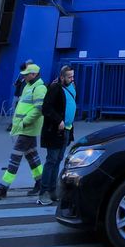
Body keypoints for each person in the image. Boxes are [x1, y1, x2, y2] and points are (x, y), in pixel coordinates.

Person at [0, 62, 48, 200]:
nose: (24, 77)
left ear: (33, 74)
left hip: (27, 128)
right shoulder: (29, 86)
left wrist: (25, 122)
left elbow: (39, 109)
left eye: (27, 75)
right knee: (32, 157)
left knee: (15, 158)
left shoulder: (39, 88)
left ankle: (3, 188)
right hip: (25, 128)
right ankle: (41, 182)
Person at [38, 65, 77, 205]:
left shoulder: (72, 87)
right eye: (69, 77)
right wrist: (58, 120)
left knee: (58, 160)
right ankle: (44, 192)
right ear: (62, 77)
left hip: (66, 129)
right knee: (51, 160)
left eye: (73, 76)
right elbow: (46, 108)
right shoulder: (55, 88)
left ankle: (53, 191)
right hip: (55, 130)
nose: (72, 79)